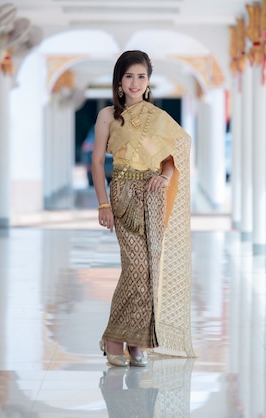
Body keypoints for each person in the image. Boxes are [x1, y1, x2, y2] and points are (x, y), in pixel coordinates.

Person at [92, 50, 196, 367]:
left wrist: (165, 177)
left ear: (148, 81)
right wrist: (103, 203)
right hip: (123, 192)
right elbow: (97, 161)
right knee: (135, 267)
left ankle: (137, 341)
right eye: (129, 76)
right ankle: (114, 337)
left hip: (153, 195)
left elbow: (173, 154)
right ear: (119, 82)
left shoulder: (157, 118)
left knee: (151, 270)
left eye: (141, 76)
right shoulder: (108, 115)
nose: (135, 82)